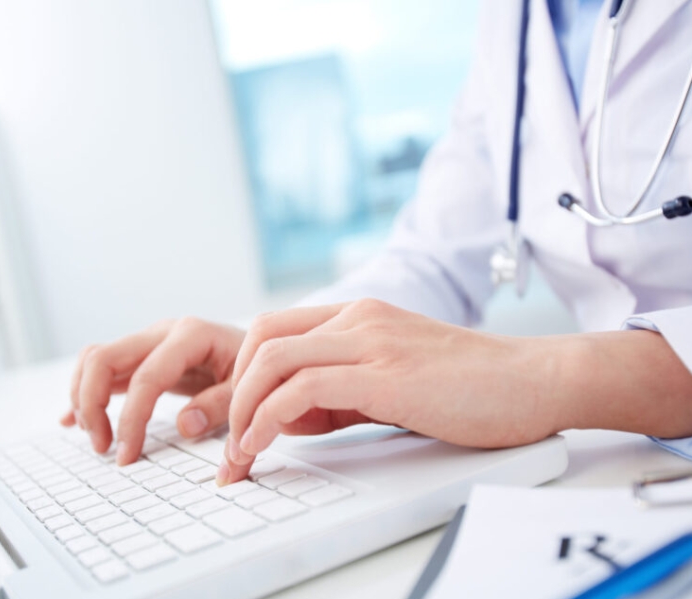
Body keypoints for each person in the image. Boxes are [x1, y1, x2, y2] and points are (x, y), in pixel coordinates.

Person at [61, 0, 692, 485]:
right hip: (620, 467)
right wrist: (292, 345)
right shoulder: (519, 20)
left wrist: (544, 375)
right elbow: (434, 259)